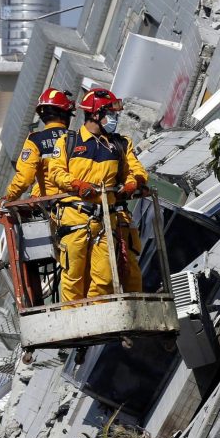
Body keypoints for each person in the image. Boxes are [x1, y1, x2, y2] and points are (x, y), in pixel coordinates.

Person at [47, 88, 149, 302]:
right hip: (74, 219)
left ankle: (93, 318)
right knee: (73, 278)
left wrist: (133, 183)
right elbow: (55, 172)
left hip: (106, 220)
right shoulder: (68, 142)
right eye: (111, 114)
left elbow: (138, 171)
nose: (115, 118)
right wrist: (77, 184)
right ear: (95, 114)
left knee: (105, 279)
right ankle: (74, 326)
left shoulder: (120, 144)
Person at [2, 87, 74, 202]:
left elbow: (24, 178)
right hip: (78, 204)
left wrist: (9, 197)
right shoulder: (77, 138)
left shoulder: (35, 140)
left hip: (52, 207)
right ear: (65, 114)